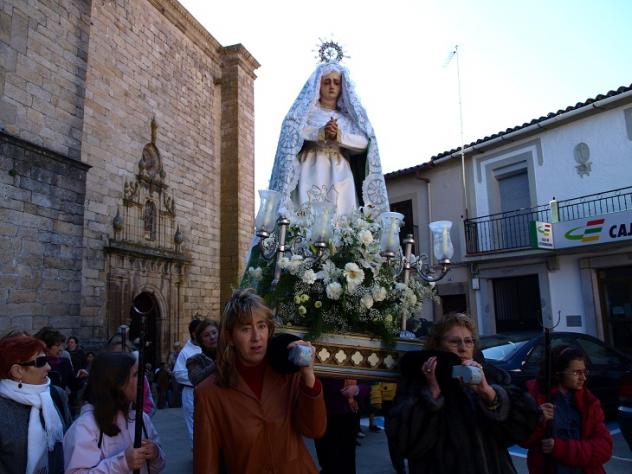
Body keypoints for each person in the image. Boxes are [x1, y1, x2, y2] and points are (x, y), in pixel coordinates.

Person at [387, 312, 541, 474]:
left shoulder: (492, 376)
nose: (463, 348)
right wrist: (432, 397)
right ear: (437, 345)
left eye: (468, 341)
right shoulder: (418, 381)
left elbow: (524, 429)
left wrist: (490, 394)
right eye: (454, 342)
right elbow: (405, 443)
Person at [193, 288, 326, 473]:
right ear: (230, 337)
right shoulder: (209, 393)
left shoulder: (289, 374)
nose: (257, 337)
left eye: (261, 326)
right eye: (246, 329)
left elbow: (315, 430)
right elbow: (205, 465)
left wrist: (308, 377)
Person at [268, 56, 389, 218]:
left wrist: (339, 136)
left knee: (341, 215)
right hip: (310, 167)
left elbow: (364, 142)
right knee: (307, 213)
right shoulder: (306, 114)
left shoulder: (347, 119)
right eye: (327, 82)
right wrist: (319, 133)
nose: (332, 86)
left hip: (340, 172)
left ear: (342, 87)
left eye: (336, 82)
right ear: (318, 85)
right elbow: (292, 132)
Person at [63, 352, 166, 473]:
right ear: (116, 383)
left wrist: (155, 454)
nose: (142, 379)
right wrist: (123, 463)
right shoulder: (84, 427)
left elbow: (156, 467)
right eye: (135, 375)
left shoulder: (141, 418)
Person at [521, 345, 613, 473]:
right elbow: (524, 440)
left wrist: (560, 448)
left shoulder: (589, 403)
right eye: (576, 372)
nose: (583, 378)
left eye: (584, 372)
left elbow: (604, 449)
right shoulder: (538, 398)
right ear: (558, 373)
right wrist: (538, 421)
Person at [0, 335, 70, 474]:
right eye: (41, 362)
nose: (48, 367)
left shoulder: (56, 395)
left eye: (47, 360)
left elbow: (68, 442)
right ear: (17, 371)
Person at [315, 378, 367, 473]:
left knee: (347, 463)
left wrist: (356, 389)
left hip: (347, 418)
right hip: (323, 417)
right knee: (328, 463)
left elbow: (367, 386)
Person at [173, 319, 202, 444]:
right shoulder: (186, 352)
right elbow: (178, 373)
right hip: (191, 393)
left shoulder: (208, 347)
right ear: (194, 333)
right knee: (194, 426)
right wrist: (199, 378)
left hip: (208, 393)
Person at [35, 327, 85, 392]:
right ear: (46, 346)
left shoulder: (65, 362)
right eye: (57, 345)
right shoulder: (36, 364)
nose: (61, 349)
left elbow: (73, 386)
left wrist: (80, 377)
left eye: (61, 345)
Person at [370, 381, 405, 474]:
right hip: (389, 402)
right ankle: (399, 467)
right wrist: (376, 398)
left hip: (408, 398)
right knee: (392, 436)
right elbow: (376, 381)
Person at [186, 319, 219, 386]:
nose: (212, 337)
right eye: (206, 335)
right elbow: (196, 379)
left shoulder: (230, 355)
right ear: (201, 341)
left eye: (214, 333)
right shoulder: (194, 360)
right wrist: (219, 362)